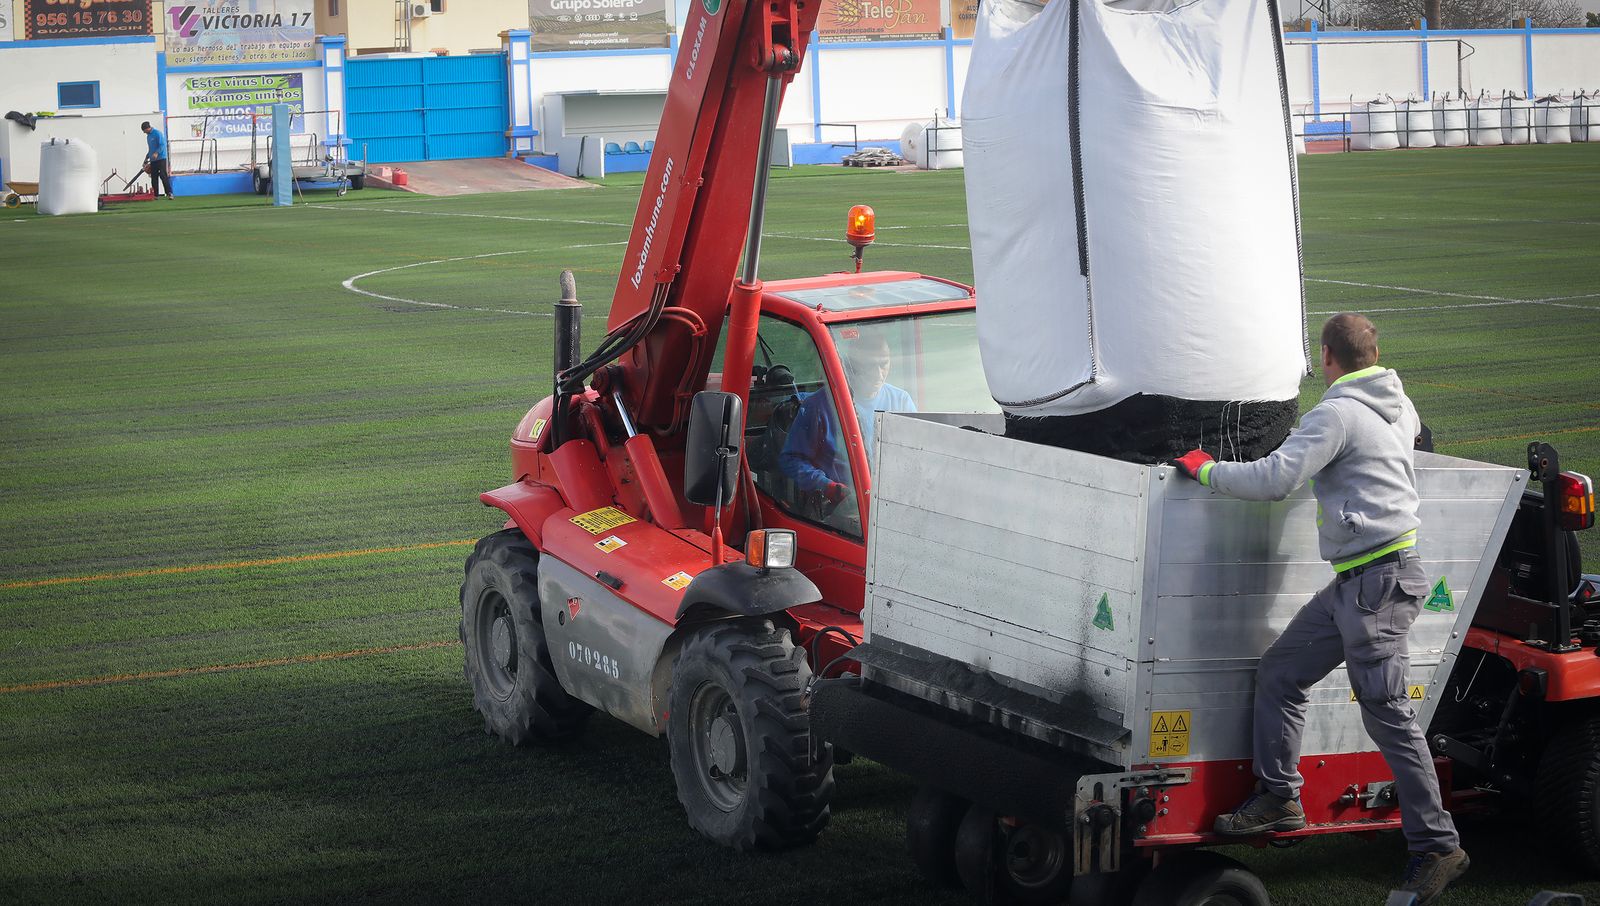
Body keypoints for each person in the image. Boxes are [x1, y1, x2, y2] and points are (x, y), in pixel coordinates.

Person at [1171, 313, 1468, 906]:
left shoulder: (1335, 414)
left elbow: (1275, 479)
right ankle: (1280, 797)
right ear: (1375, 354)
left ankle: (1437, 846)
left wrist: (1204, 469)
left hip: (1375, 585)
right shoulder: (1398, 406)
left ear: (1326, 357)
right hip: (1360, 582)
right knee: (1281, 672)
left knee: (1388, 715)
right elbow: (1418, 439)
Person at [779, 331, 915, 519]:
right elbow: (790, 460)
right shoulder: (818, 407)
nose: (878, 374)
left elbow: (915, 456)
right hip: (840, 508)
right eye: (869, 366)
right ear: (852, 366)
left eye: (883, 365)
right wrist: (826, 486)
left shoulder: (901, 401)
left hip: (892, 499)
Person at [141, 121, 174, 199]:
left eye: (144, 131)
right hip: (153, 160)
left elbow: (162, 145)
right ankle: (155, 195)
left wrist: (156, 153)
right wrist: (146, 157)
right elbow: (150, 149)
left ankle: (169, 193)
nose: (144, 132)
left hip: (161, 158)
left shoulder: (157, 133)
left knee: (163, 175)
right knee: (154, 177)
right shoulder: (148, 137)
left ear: (148, 128)